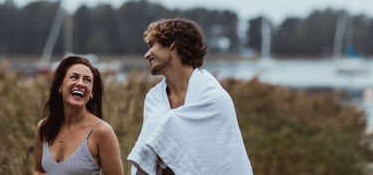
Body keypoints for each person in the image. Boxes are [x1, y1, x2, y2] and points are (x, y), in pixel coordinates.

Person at [128, 19, 253, 175]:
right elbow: (147, 157)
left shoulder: (213, 98)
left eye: (152, 45)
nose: (147, 55)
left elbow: (225, 162)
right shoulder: (154, 99)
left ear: (171, 43)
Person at [33, 56, 124, 175]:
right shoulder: (44, 127)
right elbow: (39, 171)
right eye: (74, 77)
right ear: (60, 86)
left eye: (87, 80)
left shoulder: (102, 132)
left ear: (91, 93)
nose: (80, 83)